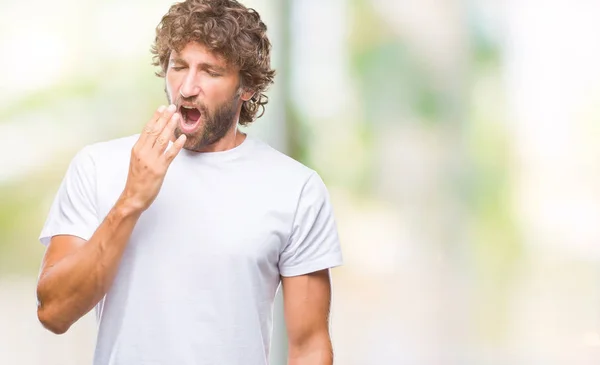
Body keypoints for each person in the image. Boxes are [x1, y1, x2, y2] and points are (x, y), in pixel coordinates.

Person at [35, 0, 343, 364]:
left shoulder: (296, 189)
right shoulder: (98, 166)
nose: (187, 88)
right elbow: (54, 312)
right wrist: (131, 199)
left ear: (246, 86)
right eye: (178, 66)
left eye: (210, 72)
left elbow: (309, 347)